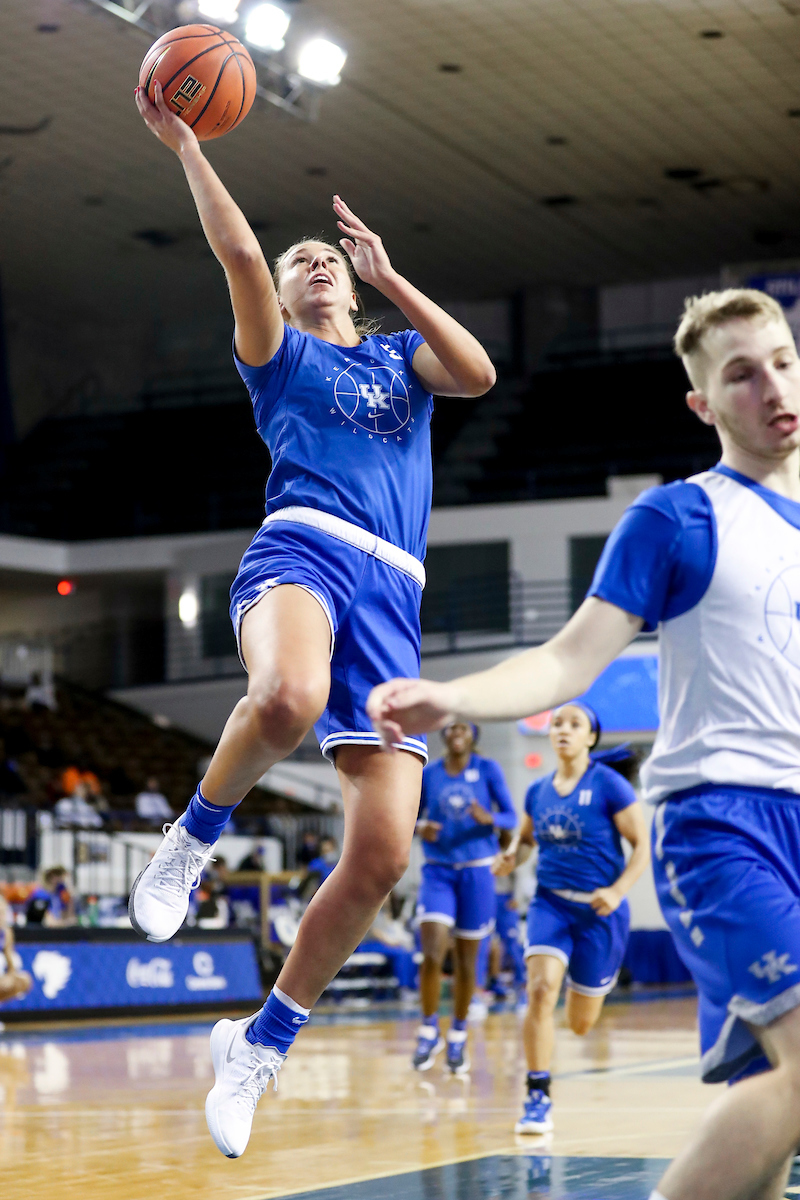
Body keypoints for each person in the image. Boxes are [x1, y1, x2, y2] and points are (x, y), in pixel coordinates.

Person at [130, 82, 495, 1159]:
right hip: (300, 549)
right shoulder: (280, 358)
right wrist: (190, 148)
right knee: (283, 699)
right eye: (301, 263)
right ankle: (191, 842)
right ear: (284, 300)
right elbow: (240, 258)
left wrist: (393, 277)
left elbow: (474, 372)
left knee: (381, 857)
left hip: (394, 594)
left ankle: (258, 1041)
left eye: (322, 256)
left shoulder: (399, 360)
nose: (312, 262)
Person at [369, 287, 800, 1200]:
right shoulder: (680, 519)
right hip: (723, 823)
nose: (770, 387)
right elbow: (567, 661)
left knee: (773, 1098)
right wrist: (455, 695)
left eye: (783, 362)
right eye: (741, 374)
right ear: (704, 404)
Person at [495, 704, 648, 1134]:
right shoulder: (537, 791)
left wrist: (617, 891)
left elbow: (642, 846)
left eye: (574, 724)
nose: (563, 730)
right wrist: (512, 856)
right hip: (551, 904)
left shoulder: (610, 786)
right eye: (557, 723)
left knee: (581, 1024)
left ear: (591, 738)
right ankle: (537, 1094)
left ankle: (587, 988)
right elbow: (524, 842)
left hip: (600, 912)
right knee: (540, 990)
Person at [413, 721, 516, 1074]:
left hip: (477, 871)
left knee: (468, 962)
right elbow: (410, 815)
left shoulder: (488, 769)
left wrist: (492, 818)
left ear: (473, 733)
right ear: (442, 734)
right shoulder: (431, 772)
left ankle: (458, 1033)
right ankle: (428, 1029)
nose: (456, 732)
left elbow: (511, 816)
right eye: (450, 727)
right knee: (431, 953)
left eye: (463, 727)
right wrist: (419, 827)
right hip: (438, 870)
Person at [0, 892, 32, 1013]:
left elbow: (9, 956)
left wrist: (11, 975)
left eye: (3, 913)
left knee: (24, 980)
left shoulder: (6, 932)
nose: (1, 917)